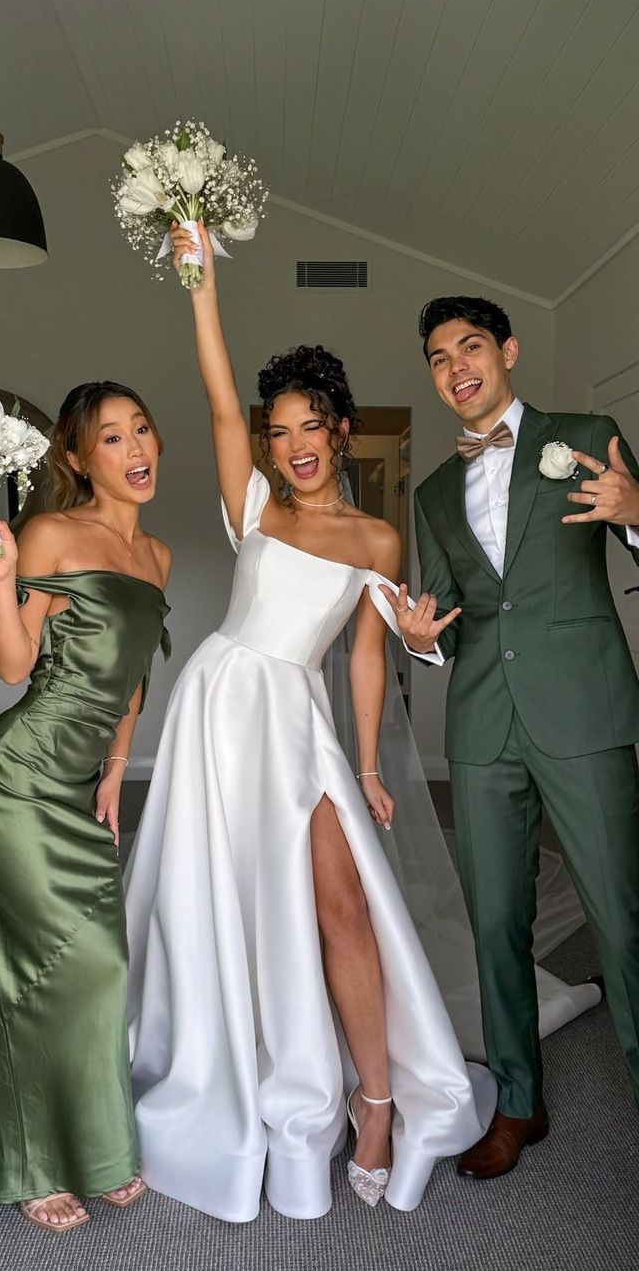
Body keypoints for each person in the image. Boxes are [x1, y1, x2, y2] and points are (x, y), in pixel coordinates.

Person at [124, 223, 495, 1223]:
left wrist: (368, 764)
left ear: (337, 431)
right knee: (226, 902)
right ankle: (249, 1067)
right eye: (275, 428)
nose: (289, 446)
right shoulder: (250, 504)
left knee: (343, 909)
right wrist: (198, 276)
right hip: (216, 710)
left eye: (305, 428)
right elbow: (210, 390)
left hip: (298, 724)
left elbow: (368, 651)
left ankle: (374, 1102)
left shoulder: (376, 534)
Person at [387, 295, 639, 1180]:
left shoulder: (586, 432)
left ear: (508, 352)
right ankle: (518, 1104)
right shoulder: (432, 492)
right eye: (438, 356)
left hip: (583, 710)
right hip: (484, 724)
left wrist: (635, 507)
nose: (456, 366)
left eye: (471, 346)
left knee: (623, 915)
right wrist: (423, 638)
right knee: (494, 921)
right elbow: (453, 618)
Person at [0, 381, 171, 1232]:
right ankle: (30, 1162)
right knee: (43, 976)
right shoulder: (50, 531)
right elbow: (12, 665)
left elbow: (134, 675)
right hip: (10, 783)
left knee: (99, 968)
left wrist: (116, 770)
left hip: (76, 788)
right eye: (111, 438)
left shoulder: (157, 556)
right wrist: (4, 579)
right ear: (76, 460)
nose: (135, 448)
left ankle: (99, 1146)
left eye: (141, 429)